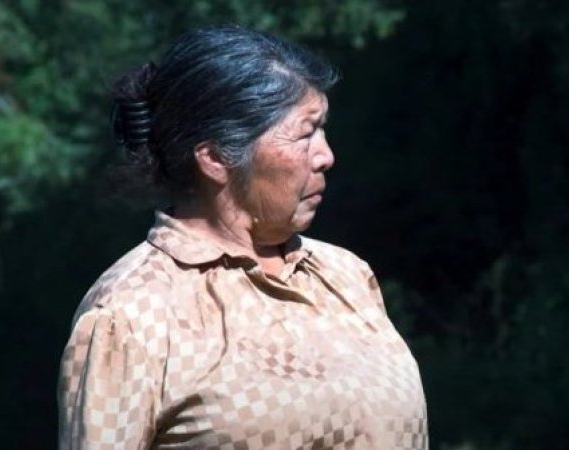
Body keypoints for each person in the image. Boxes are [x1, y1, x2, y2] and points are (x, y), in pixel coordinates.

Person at [57, 25, 428, 450]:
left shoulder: (346, 277)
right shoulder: (131, 315)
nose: (326, 156)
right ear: (215, 157)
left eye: (323, 129)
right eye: (305, 133)